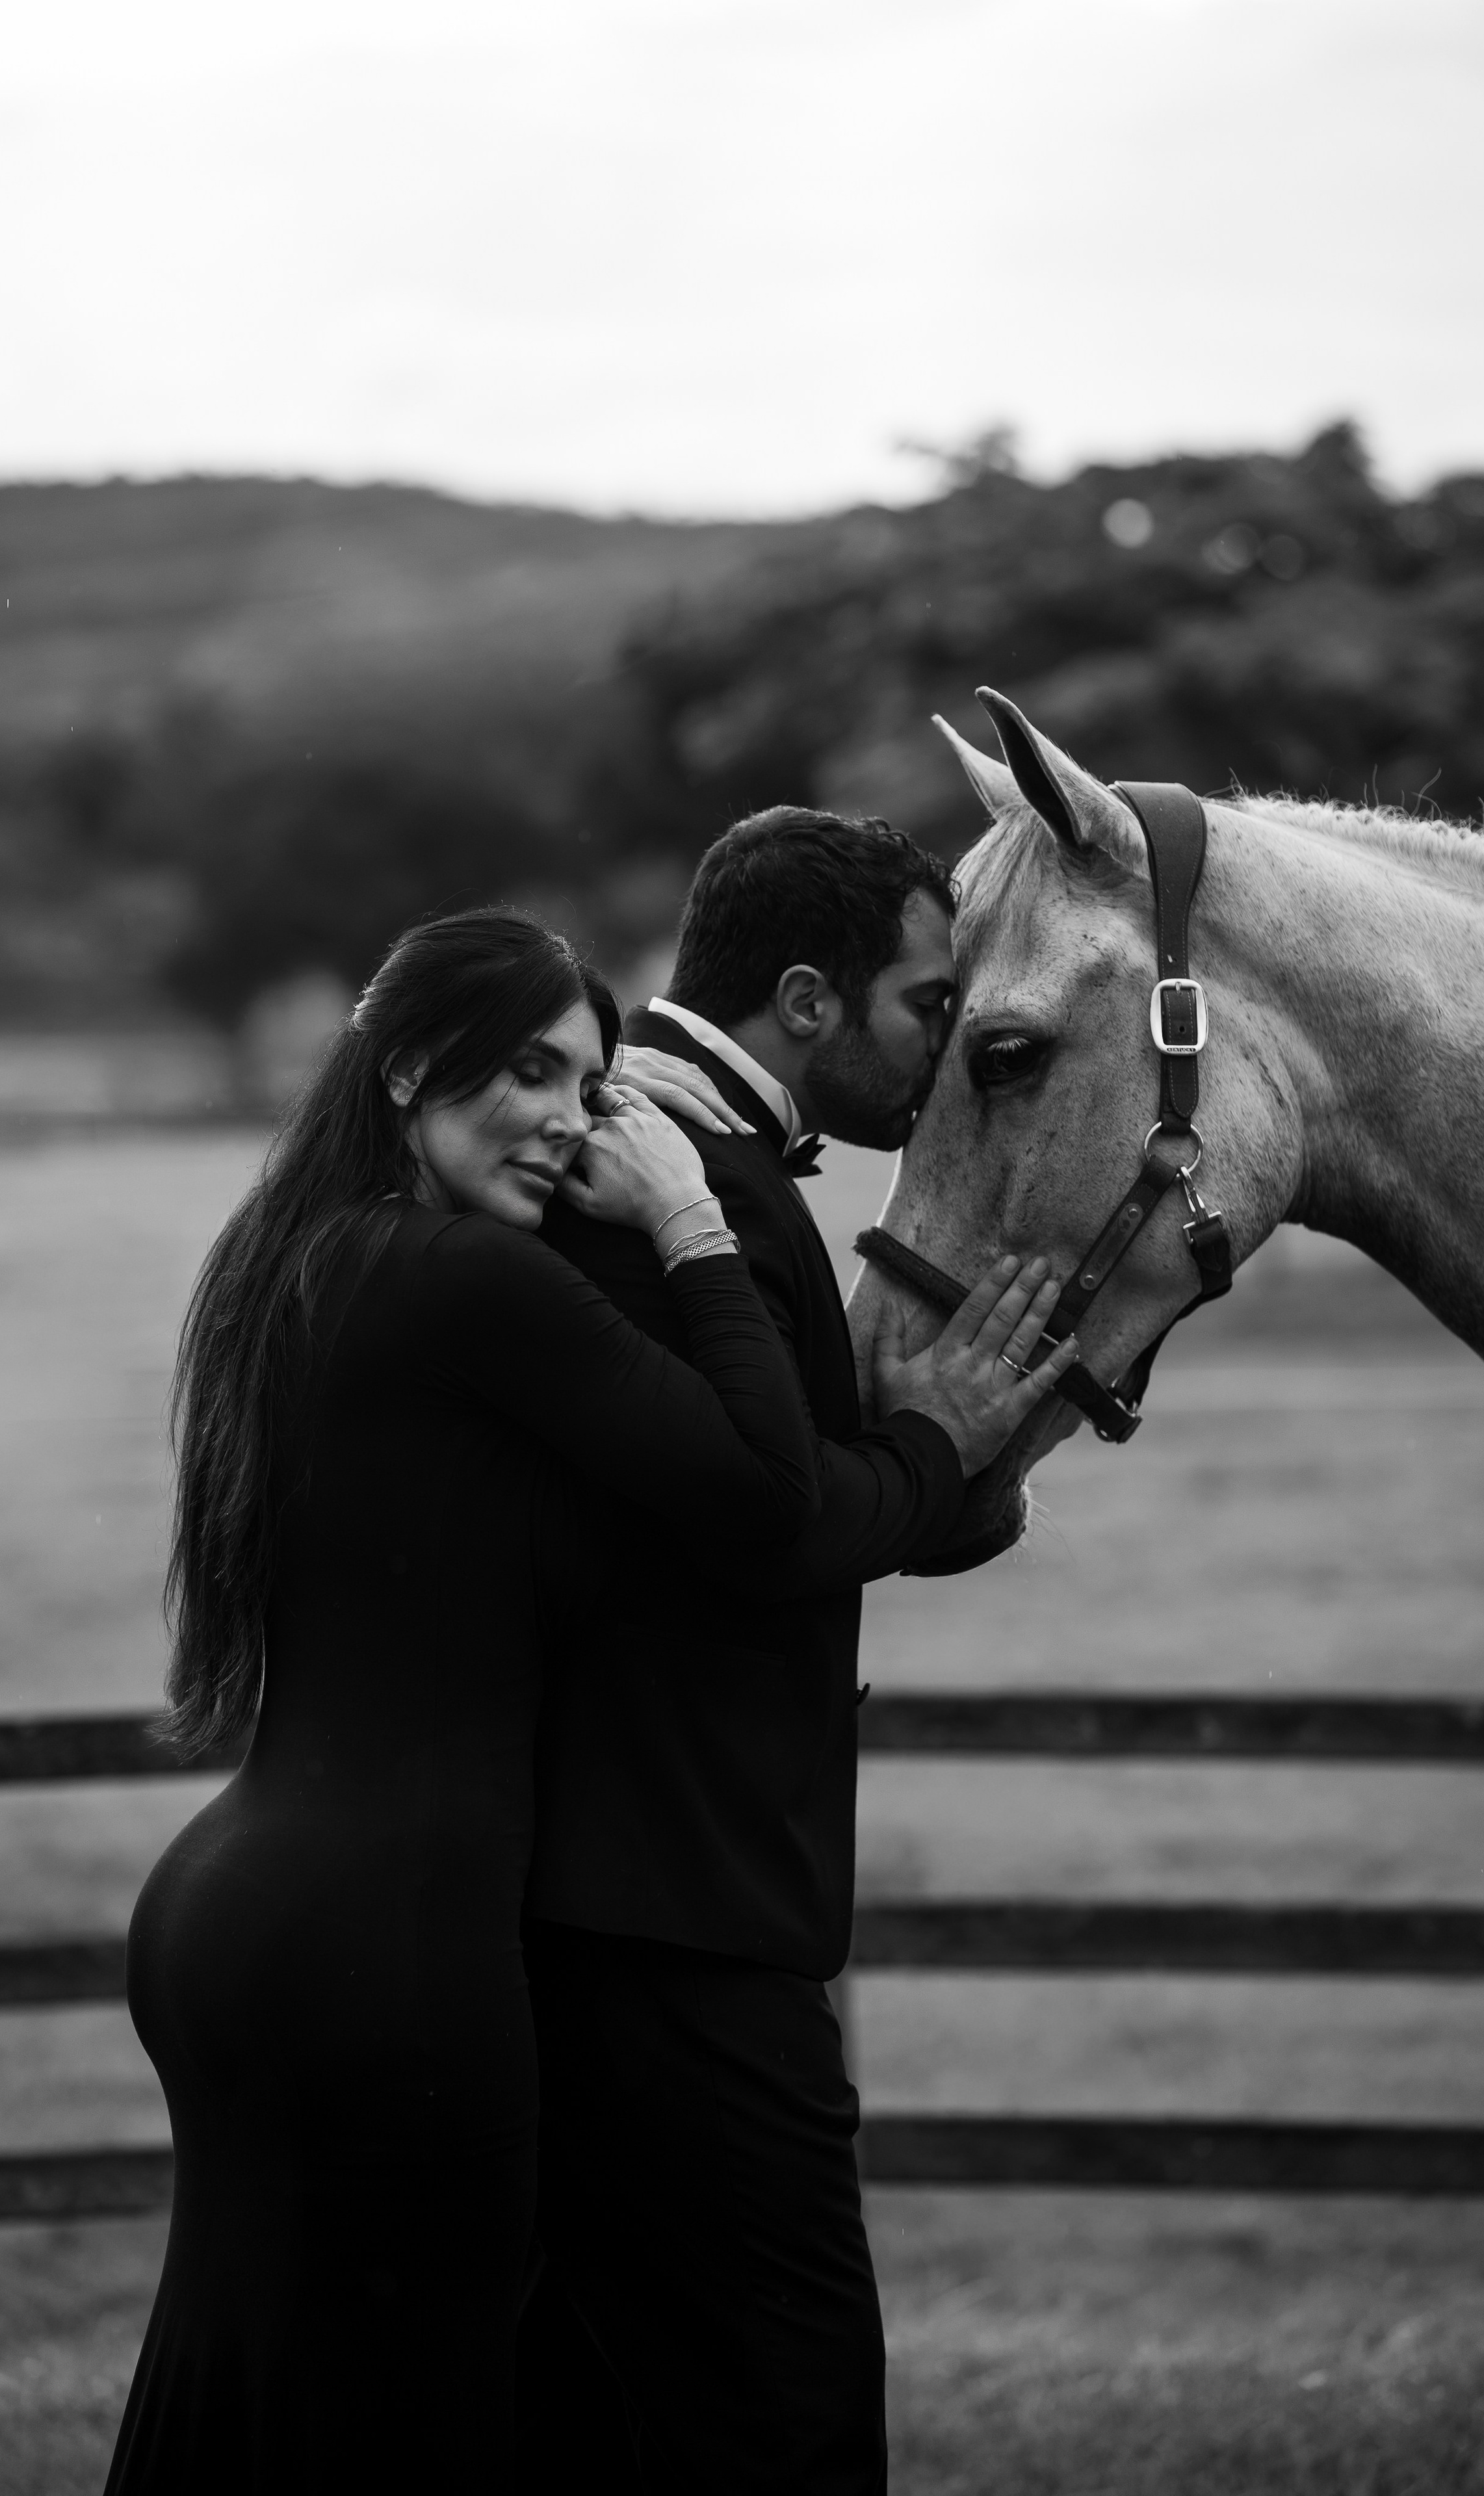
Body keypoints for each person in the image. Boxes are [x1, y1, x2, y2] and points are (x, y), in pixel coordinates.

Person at [104, 905, 1071, 2494]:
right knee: (420, 2432)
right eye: (528, 1074)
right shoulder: (465, 1279)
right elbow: (761, 1496)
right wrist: (694, 1226)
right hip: (388, 1944)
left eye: (586, 1083)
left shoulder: (306, 1256)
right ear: (408, 1067)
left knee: (248, 2410)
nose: (567, 1121)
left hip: (236, 1906)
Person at [519, 808, 1060, 2493]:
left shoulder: (689, 1150)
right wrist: (939, 1445)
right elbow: (765, 1522)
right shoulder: (666, 1175)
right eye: (926, 1006)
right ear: (810, 1000)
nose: (944, 1051)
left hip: (642, 1888)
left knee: (635, 2395)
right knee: (788, 2392)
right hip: (670, 1898)